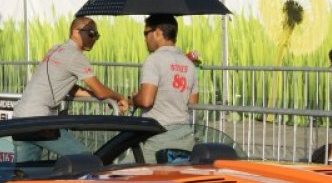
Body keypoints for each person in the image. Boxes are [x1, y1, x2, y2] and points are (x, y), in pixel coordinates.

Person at [13, 17, 129, 160]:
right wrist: (119, 97)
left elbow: (69, 88)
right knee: (85, 159)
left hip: (19, 118)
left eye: (97, 36)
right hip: (39, 120)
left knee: (25, 175)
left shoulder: (55, 49)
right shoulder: (75, 56)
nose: (94, 39)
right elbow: (100, 90)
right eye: (92, 33)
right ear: (75, 32)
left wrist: (96, 95)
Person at [127, 14, 199, 162]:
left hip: (158, 136)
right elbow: (193, 101)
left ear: (158, 32)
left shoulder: (154, 60)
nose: (145, 39)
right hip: (184, 136)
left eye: (146, 33)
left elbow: (146, 100)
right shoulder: (188, 64)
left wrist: (134, 99)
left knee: (122, 176)